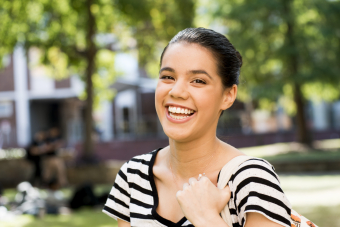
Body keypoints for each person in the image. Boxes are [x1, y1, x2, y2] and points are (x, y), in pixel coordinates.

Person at [103, 28, 292, 227]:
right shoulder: (133, 176)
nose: (176, 91)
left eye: (198, 81)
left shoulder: (252, 181)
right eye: (168, 77)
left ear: (228, 96)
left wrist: (206, 218)